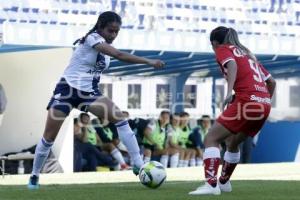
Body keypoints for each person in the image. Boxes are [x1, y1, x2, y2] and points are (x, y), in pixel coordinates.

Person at [28, 11, 164, 189]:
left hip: (89, 93)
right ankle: (34, 176)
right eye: (110, 31)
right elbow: (120, 56)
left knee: (119, 118)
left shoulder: (105, 47)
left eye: (116, 32)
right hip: (67, 90)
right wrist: (149, 62)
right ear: (100, 26)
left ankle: (138, 163)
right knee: (49, 137)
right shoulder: (93, 38)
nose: (113, 35)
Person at [189, 26, 276, 195]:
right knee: (232, 143)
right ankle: (224, 182)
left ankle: (211, 185)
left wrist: (229, 92)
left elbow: (232, 65)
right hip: (263, 103)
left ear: (214, 42)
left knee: (211, 138)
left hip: (246, 100)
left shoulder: (223, 49)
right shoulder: (247, 54)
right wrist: (263, 101)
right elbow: (272, 82)